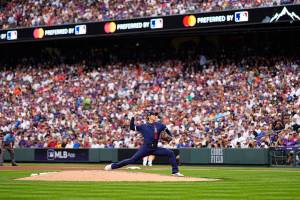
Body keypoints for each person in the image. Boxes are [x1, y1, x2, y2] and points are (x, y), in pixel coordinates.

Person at [105, 112, 184, 176]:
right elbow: (132, 127)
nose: (155, 116)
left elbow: (166, 130)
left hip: (155, 148)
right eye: (153, 115)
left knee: (171, 153)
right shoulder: (143, 126)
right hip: (146, 148)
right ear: (149, 116)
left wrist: (172, 137)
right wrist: (132, 118)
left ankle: (175, 172)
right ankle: (113, 166)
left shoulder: (160, 125)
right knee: (131, 160)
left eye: (156, 115)